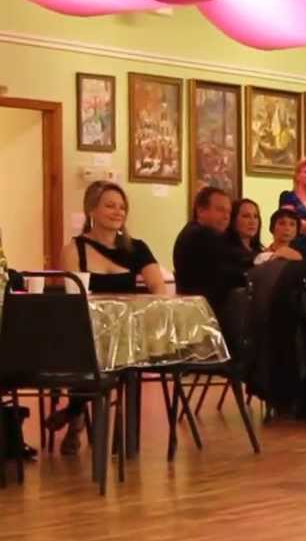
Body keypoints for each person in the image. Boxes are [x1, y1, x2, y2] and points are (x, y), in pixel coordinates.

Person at [52, 181, 166, 455]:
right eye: (110, 205)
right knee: (83, 345)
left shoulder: (137, 247)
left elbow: (158, 287)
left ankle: (75, 414)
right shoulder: (74, 249)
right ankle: (78, 414)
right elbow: (72, 296)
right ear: (91, 209)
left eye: (122, 207)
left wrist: (150, 306)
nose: (118, 212)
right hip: (86, 328)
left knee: (103, 350)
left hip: (127, 331)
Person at [173, 186, 249, 316]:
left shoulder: (193, 232)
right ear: (201, 211)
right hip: (205, 316)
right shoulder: (202, 235)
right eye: (220, 210)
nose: (226, 217)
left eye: (229, 212)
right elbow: (238, 267)